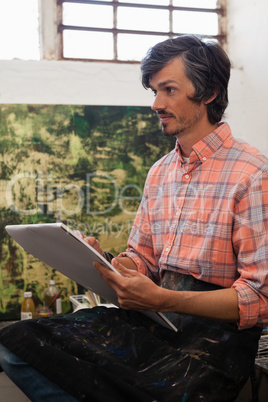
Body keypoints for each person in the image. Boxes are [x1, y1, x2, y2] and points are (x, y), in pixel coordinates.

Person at [0, 35, 268, 401]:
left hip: (212, 350)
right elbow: (142, 261)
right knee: (15, 346)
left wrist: (162, 299)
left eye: (169, 90)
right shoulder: (159, 173)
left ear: (208, 93)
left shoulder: (252, 174)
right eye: (154, 91)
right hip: (154, 325)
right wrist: (105, 263)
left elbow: (259, 297)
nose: (156, 104)